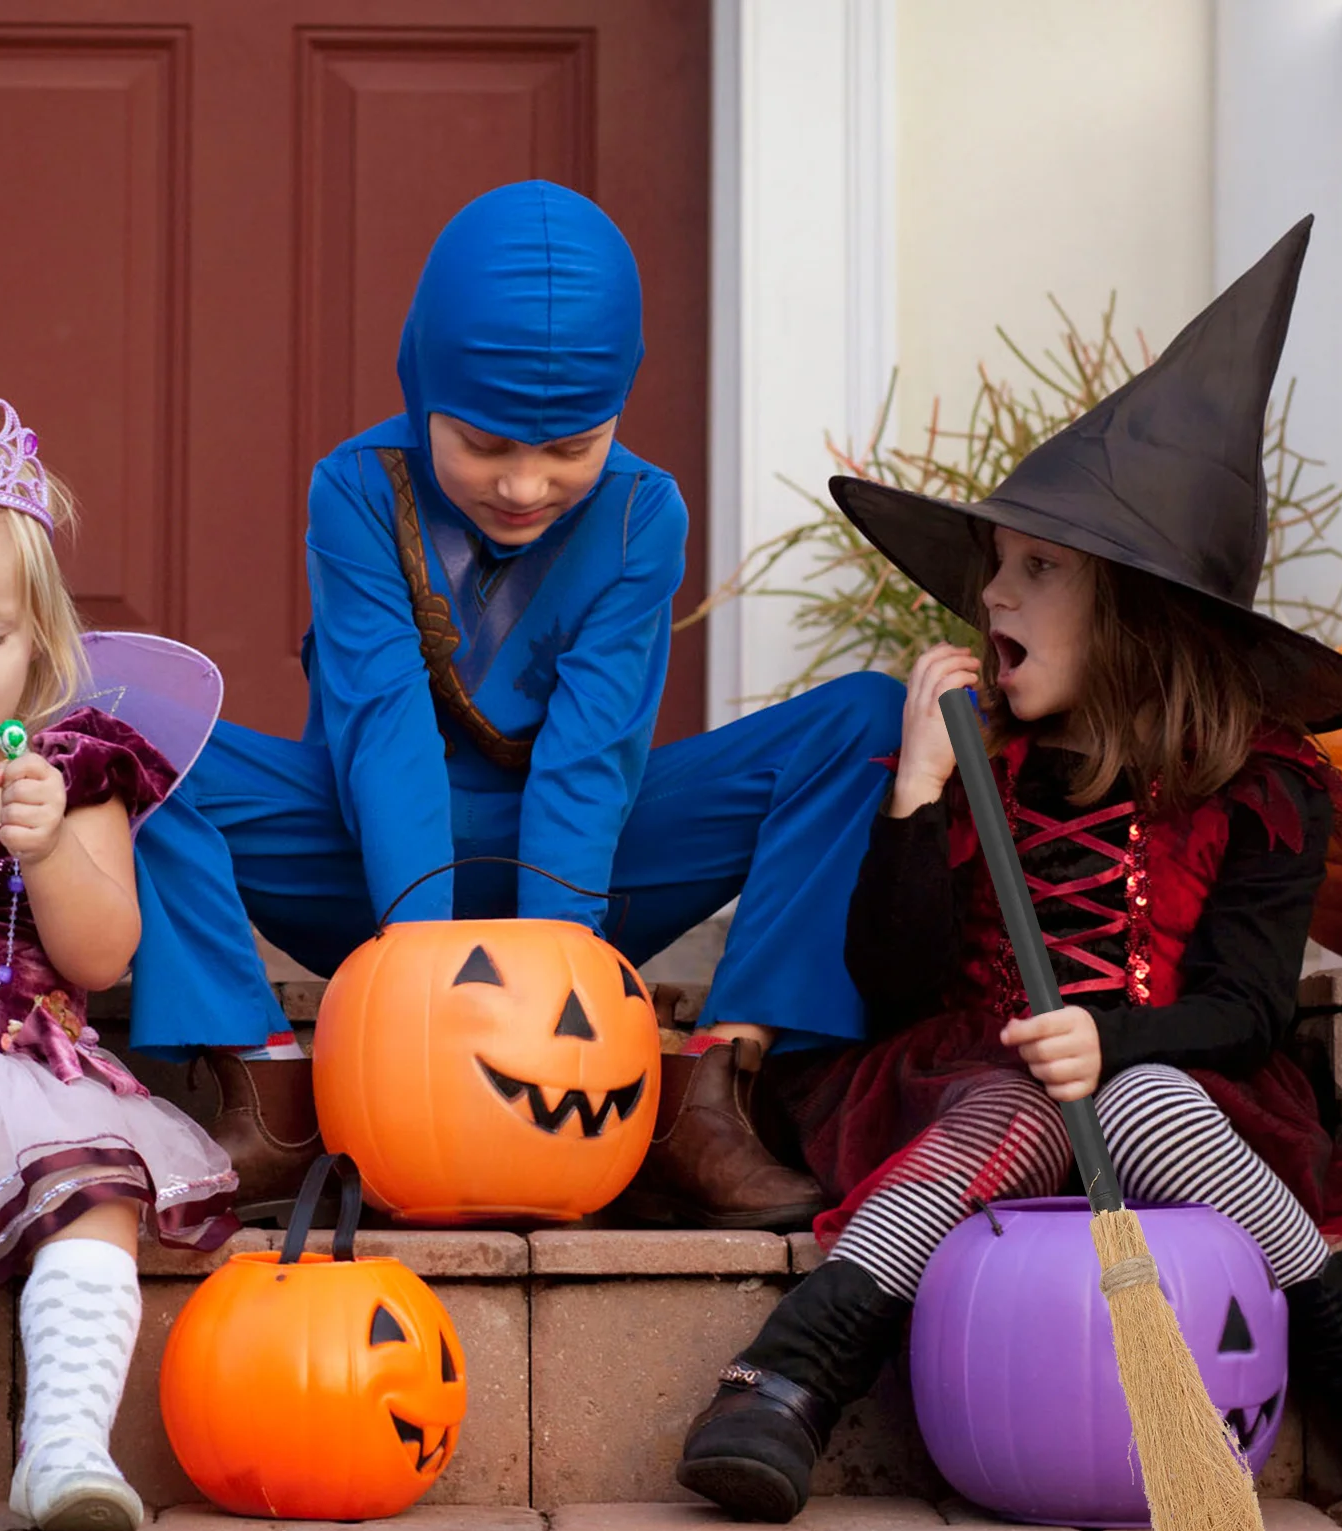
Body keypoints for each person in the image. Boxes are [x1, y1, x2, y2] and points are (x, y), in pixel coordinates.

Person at [674, 218, 1342, 1524]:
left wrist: (1110, 1041)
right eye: (994, 569)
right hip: (971, 1080)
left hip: (1184, 1083)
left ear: (1137, 610)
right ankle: (783, 1380)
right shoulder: (980, 765)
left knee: (1145, 1098)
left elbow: (1248, 1007)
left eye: (1037, 570)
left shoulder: (1261, 786)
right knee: (1014, 1101)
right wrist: (916, 797)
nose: (992, 598)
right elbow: (890, 978)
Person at [128, 179, 904, 1226]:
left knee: (862, 721)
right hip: (363, 870)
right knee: (128, 732)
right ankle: (269, 1096)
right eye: (486, 445)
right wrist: (422, 987)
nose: (526, 487)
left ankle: (707, 1098)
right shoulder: (357, 490)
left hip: (590, 876)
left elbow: (594, 754)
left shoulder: (642, 513)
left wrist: (551, 991)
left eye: (570, 449)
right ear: (423, 388)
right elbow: (384, 728)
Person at [0, 377, 237, 1531]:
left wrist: (46, 848)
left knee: (96, 1206)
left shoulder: (70, 767)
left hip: (23, 1069)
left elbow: (102, 952)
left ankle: (63, 1448)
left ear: (39, 642)